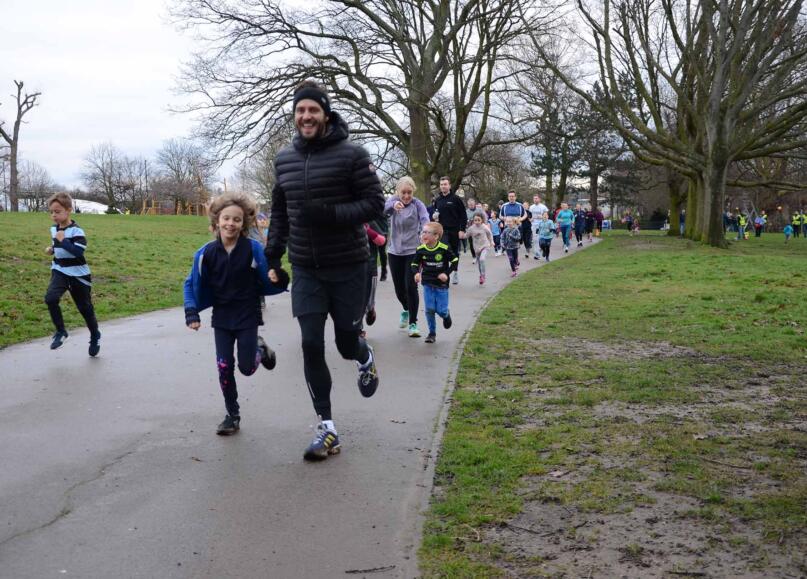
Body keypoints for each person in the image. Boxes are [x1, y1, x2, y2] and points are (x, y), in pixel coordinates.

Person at [264, 80, 384, 461]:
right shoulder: (284, 160)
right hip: (306, 269)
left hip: (349, 265)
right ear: (295, 116)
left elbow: (374, 205)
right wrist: (272, 257)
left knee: (344, 345)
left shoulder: (352, 155)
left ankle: (363, 357)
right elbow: (280, 213)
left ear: (326, 114)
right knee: (311, 344)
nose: (306, 116)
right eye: (300, 110)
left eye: (313, 110)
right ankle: (327, 428)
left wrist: (332, 215)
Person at [184, 193, 286, 435]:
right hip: (222, 317)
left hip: (247, 315)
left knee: (247, 368)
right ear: (217, 221)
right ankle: (232, 414)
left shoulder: (253, 249)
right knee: (224, 366)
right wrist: (191, 312)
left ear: (244, 224)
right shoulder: (205, 253)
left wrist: (279, 277)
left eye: (237, 220)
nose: (231, 223)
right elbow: (190, 284)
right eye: (226, 218)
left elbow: (270, 278)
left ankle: (259, 350)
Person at [43, 192, 102, 356]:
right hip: (59, 270)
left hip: (78, 274)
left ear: (68, 210)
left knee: (85, 308)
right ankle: (61, 331)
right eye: (52, 212)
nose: (54, 215)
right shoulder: (54, 229)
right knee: (50, 298)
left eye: (57, 211)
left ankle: (95, 335)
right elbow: (59, 247)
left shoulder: (77, 231)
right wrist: (52, 249)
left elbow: (77, 251)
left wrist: (63, 241)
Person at [384, 176, 429, 337]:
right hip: (394, 251)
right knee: (399, 289)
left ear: (413, 192)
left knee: (411, 286)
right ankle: (405, 309)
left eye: (409, 192)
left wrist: (426, 231)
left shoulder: (417, 204)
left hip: (413, 251)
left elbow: (425, 219)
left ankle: (413, 323)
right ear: (398, 191)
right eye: (403, 193)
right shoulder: (394, 201)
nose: (406, 196)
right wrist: (392, 205)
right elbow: (383, 209)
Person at [411, 222, 457, 343]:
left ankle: (446, 315)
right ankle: (432, 333)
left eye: (427, 232)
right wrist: (416, 273)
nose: (424, 234)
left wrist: (446, 274)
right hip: (427, 283)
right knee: (429, 309)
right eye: (423, 232)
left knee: (441, 310)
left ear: (436, 236)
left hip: (441, 285)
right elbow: (414, 264)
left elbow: (455, 260)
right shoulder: (420, 250)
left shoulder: (444, 248)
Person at [432, 176, 467, 284]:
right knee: (444, 252)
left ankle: (455, 272)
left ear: (449, 185)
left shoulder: (456, 199)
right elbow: (435, 214)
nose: (443, 186)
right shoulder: (437, 200)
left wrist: (462, 230)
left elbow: (463, 215)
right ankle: (445, 275)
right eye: (441, 184)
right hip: (442, 231)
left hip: (454, 230)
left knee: (454, 253)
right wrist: (434, 217)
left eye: (445, 184)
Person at [362, 219, 387, 336]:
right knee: (355, 301)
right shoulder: (346, 221)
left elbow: (382, 241)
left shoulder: (370, 222)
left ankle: (370, 309)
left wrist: (368, 231)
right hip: (351, 268)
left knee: (367, 301)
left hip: (370, 269)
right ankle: (358, 329)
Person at [465, 213, 494, 285]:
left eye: (479, 220)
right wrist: (459, 234)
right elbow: (466, 235)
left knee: (482, 259)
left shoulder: (484, 227)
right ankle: (481, 275)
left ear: (482, 220)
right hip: (476, 248)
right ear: (473, 221)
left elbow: (489, 234)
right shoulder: (471, 228)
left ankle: (483, 275)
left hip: (485, 246)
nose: (477, 222)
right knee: (479, 264)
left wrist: (491, 241)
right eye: (475, 220)